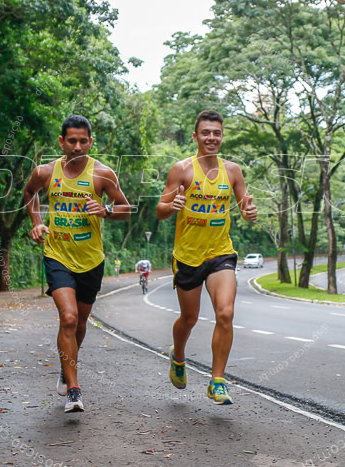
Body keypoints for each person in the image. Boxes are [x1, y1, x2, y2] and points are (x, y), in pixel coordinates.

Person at [23, 115, 131, 413]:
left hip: (91, 259)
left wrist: (106, 211)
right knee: (68, 318)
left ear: (90, 142)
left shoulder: (103, 174)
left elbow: (125, 208)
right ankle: (73, 388)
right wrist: (37, 222)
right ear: (62, 142)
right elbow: (29, 193)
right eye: (72, 141)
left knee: (81, 323)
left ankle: (65, 365)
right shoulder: (46, 172)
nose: (78, 146)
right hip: (57, 254)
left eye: (84, 141)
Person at [156, 109, 257, 405]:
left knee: (225, 313)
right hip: (188, 256)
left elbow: (246, 210)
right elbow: (160, 211)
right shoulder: (182, 170)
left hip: (220, 253)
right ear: (195, 136)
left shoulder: (233, 171)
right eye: (206, 133)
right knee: (189, 318)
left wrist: (250, 213)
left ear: (222, 136)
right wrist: (171, 205)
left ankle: (217, 381)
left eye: (216, 133)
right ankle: (178, 356)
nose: (211, 138)